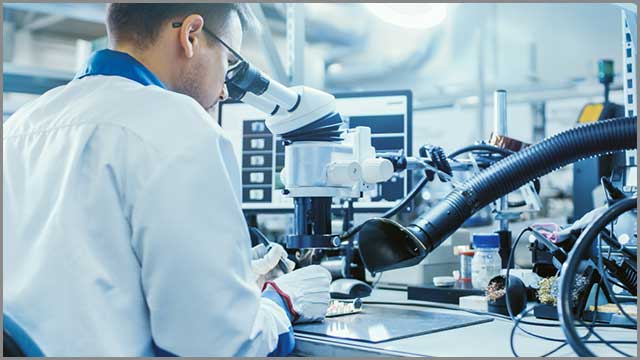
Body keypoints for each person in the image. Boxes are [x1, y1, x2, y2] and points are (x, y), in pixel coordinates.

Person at [3, 3, 332, 356]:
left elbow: (84, 273)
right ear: (190, 36)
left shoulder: (21, 124)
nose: (224, 90)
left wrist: (223, 275)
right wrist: (282, 301)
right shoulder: (178, 125)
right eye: (228, 61)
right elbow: (221, 345)